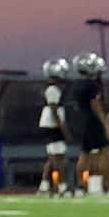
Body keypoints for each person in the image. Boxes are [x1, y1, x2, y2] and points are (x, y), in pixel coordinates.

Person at [70, 53, 109, 195]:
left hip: (83, 121)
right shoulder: (92, 86)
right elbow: (95, 105)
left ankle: (81, 186)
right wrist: (105, 123)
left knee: (85, 154)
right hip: (94, 122)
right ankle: (103, 186)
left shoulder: (77, 85)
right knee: (103, 153)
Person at [38, 58, 71, 195]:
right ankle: (63, 186)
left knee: (52, 158)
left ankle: (44, 186)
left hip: (50, 125)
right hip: (53, 126)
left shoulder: (52, 88)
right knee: (59, 158)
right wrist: (63, 128)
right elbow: (54, 109)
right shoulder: (53, 89)